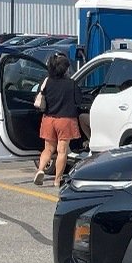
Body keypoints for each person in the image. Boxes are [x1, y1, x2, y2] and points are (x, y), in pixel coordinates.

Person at [34, 52, 83, 187]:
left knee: (48, 149)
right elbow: (79, 100)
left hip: (49, 119)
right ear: (66, 69)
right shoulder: (71, 84)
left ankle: (40, 170)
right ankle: (57, 180)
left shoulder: (47, 82)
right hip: (65, 120)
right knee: (62, 151)